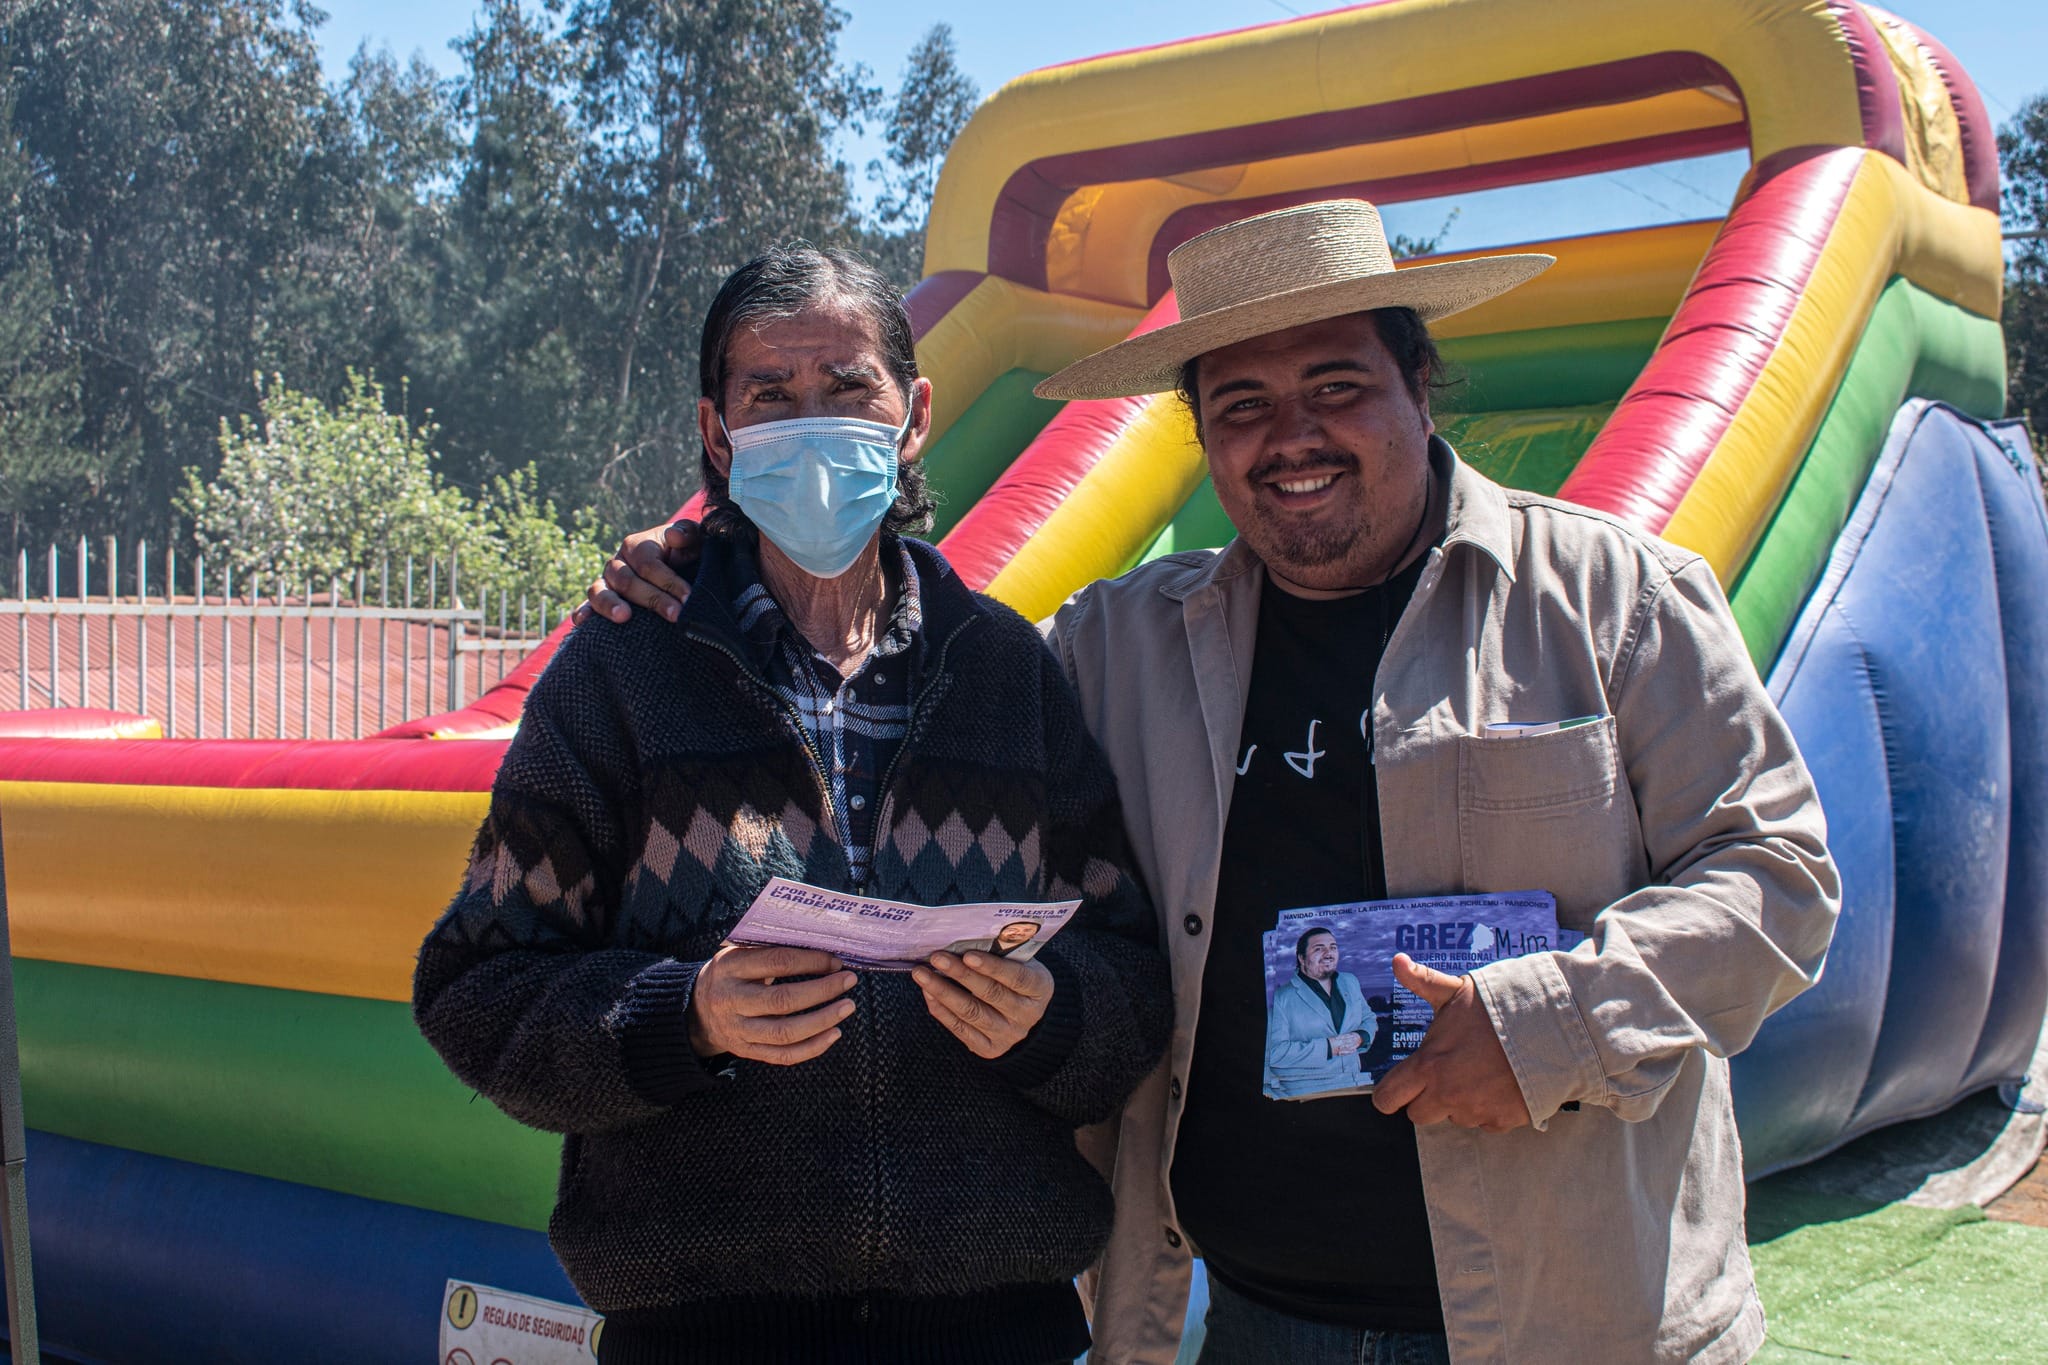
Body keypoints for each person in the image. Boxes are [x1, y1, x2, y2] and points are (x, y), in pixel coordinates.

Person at [579, 201, 1841, 1365]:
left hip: (1579, 1321)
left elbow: (1777, 881)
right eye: (1237, 405)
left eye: (1335, 386)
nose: (1288, 437)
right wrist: (710, 563)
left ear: (1419, 387)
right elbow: (902, 644)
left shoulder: (1615, 604)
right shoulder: (1114, 648)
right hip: (1258, 1320)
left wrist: (1546, 1021)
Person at [415, 243, 1171, 1365]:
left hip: (991, 1332)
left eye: (847, 388)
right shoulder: (624, 671)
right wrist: (686, 1017)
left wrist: (1053, 1017)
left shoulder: (1006, 674)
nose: (811, 423)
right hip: (703, 1335)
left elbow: (1127, 971)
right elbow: (477, 991)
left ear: (912, 417)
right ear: (718, 435)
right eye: (770, 395)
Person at [1264, 927, 1374, 1098]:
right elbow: (1275, 1053)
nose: (1328, 953)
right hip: (1307, 1093)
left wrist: (1361, 1036)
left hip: (1355, 1085)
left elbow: (1368, 1018)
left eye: (1333, 947)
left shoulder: (1350, 981)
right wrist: (1330, 1047)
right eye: (1319, 948)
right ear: (1301, 958)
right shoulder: (1280, 997)